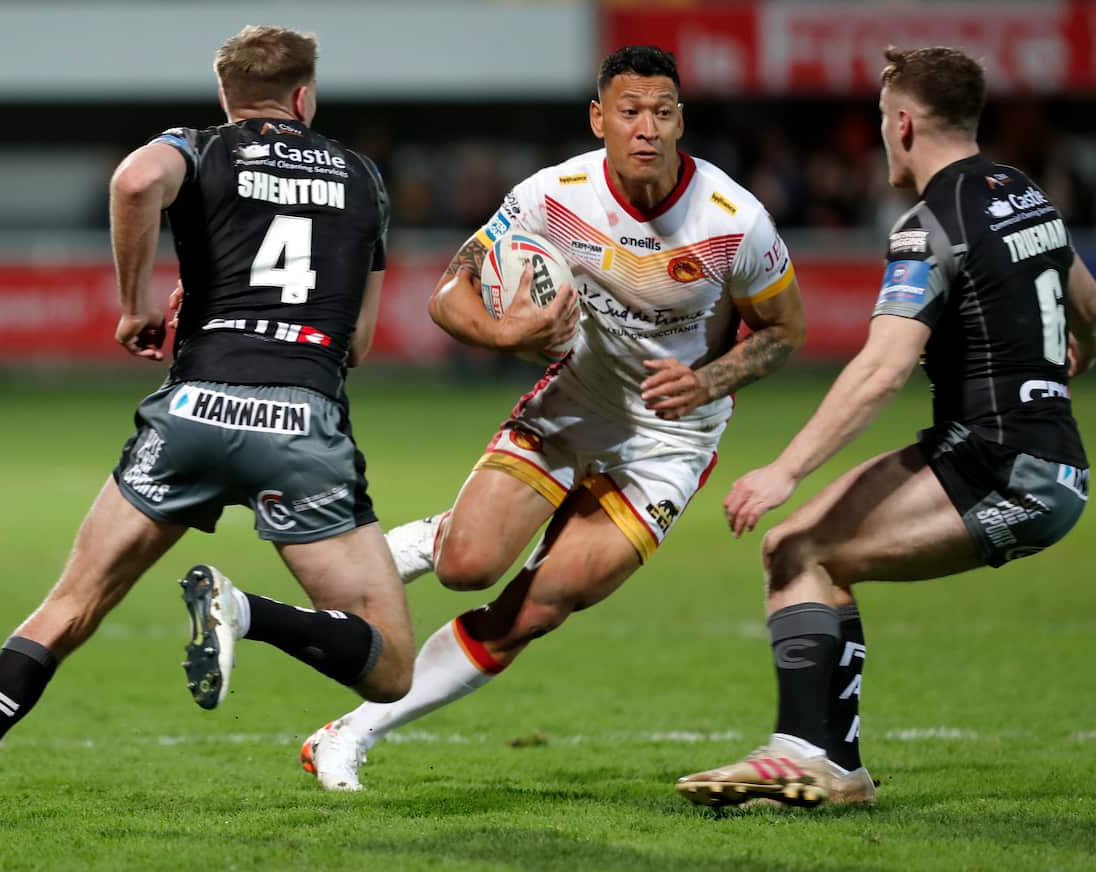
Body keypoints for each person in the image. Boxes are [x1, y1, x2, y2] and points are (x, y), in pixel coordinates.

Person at [0, 25, 414, 822]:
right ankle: (247, 614)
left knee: (69, 606)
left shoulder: (201, 146)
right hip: (298, 426)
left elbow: (136, 182)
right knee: (389, 668)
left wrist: (137, 305)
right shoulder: (363, 177)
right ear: (305, 97)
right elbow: (360, 345)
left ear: (225, 95)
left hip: (191, 413)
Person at [298, 45, 808, 792]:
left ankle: (351, 732)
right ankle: (441, 536)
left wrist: (708, 383)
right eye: (630, 112)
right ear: (599, 118)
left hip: (671, 441)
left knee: (537, 608)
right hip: (574, 403)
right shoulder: (552, 194)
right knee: (466, 564)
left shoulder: (734, 220)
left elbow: (785, 332)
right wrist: (504, 334)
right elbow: (451, 291)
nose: (647, 129)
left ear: (680, 122)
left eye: (662, 113)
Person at [675, 46, 1094, 809]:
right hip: (1035, 458)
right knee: (810, 552)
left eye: (879, 118)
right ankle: (833, 766)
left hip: (1003, 468)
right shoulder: (1022, 192)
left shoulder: (929, 224)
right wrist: (1076, 352)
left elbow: (881, 369)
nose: (878, 135)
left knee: (797, 548)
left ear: (903, 123)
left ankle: (808, 756)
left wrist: (784, 470)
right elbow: (1089, 307)